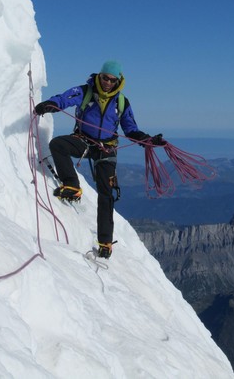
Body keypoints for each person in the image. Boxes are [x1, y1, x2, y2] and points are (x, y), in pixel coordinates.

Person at [35, 60, 165, 258]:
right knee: (58, 145)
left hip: (107, 149)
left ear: (118, 81)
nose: (108, 83)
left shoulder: (121, 102)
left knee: (106, 194)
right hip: (85, 141)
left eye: (113, 80)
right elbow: (64, 99)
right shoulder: (85, 91)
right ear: (100, 76)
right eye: (105, 78)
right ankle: (72, 185)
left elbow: (131, 130)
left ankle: (105, 242)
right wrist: (50, 105)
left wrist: (148, 140)